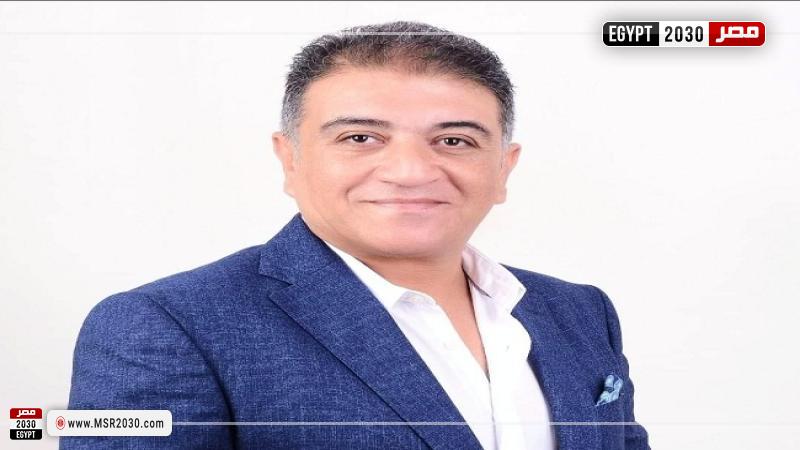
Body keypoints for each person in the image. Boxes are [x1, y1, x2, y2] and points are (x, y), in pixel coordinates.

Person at [64, 21, 649, 450]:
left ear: (503, 167)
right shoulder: (165, 326)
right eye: (360, 138)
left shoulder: (578, 312)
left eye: (454, 141)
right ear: (290, 159)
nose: (411, 171)